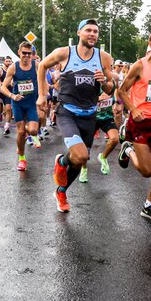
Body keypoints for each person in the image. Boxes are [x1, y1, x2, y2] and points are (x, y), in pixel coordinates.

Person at [37, 19, 115, 213]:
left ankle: (61, 190)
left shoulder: (104, 58)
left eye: (95, 31)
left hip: (90, 114)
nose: (92, 34)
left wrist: (104, 82)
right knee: (80, 155)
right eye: (88, 30)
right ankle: (62, 163)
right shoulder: (64, 53)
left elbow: (111, 88)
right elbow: (42, 66)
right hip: (67, 112)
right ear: (79, 32)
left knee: (80, 160)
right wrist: (42, 94)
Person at [115, 30, 151, 222]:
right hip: (139, 122)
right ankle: (128, 149)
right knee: (147, 171)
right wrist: (133, 109)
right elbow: (121, 90)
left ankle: (148, 205)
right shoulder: (139, 66)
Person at [0, 42, 42, 171]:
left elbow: (43, 81)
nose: (27, 56)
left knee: (33, 131)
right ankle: (22, 159)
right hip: (18, 103)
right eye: (24, 53)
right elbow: (3, 87)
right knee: (21, 131)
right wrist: (12, 96)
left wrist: (43, 96)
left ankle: (29, 136)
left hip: (31, 103)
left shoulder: (36, 65)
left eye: (29, 53)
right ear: (19, 52)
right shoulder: (13, 67)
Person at [80, 74, 121, 183]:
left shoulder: (112, 79)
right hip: (91, 118)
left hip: (107, 117)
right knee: (85, 150)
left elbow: (117, 91)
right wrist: (97, 99)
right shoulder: (89, 79)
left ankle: (103, 157)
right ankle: (84, 169)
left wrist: (117, 103)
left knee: (115, 138)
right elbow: (82, 100)